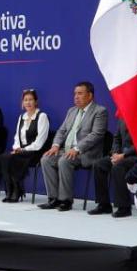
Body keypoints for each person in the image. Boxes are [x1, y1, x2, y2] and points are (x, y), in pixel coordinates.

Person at [38, 82, 108, 211]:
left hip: (86, 153)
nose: (76, 97)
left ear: (90, 95)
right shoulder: (72, 111)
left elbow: (96, 135)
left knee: (65, 160)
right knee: (46, 159)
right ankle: (54, 199)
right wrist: (55, 145)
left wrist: (76, 149)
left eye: (80, 93)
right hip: (67, 150)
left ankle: (66, 200)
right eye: (75, 93)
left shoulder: (100, 111)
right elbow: (62, 131)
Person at [0, 89, 50, 202]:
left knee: (11, 158)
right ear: (22, 103)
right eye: (25, 100)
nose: (28, 102)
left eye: (31, 100)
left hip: (35, 151)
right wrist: (16, 148)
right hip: (21, 151)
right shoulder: (22, 117)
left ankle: (17, 190)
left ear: (36, 102)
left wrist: (23, 149)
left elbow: (40, 142)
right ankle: (9, 190)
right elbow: (17, 137)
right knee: (4, 157)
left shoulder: (42, 116)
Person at [89, 118, 137, 217]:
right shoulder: (122, 118)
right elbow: (117, 138)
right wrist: (115, 153)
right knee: (99, 164)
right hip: (120, 155)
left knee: (118, 167)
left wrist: (123, 155)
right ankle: (104, 205)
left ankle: (124, 207)